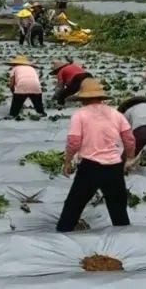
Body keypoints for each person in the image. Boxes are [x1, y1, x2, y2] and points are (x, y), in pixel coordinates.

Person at [56, 78, 134, 232]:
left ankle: (63, 233)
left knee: (74, 204)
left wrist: (67, 161)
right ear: (100, 97)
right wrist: (129, 157)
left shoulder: (80, 114)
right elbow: (129, 138)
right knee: (118, 207)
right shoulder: (115, 113)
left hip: (90, 166)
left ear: (83, 98)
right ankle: (125, 239)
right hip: (114, 166)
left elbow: (74, 141)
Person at [118, 96, 146, 176]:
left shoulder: (128, 111)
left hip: (140, 131)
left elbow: (124, 128)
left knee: (129, 154)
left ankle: (119, 172)